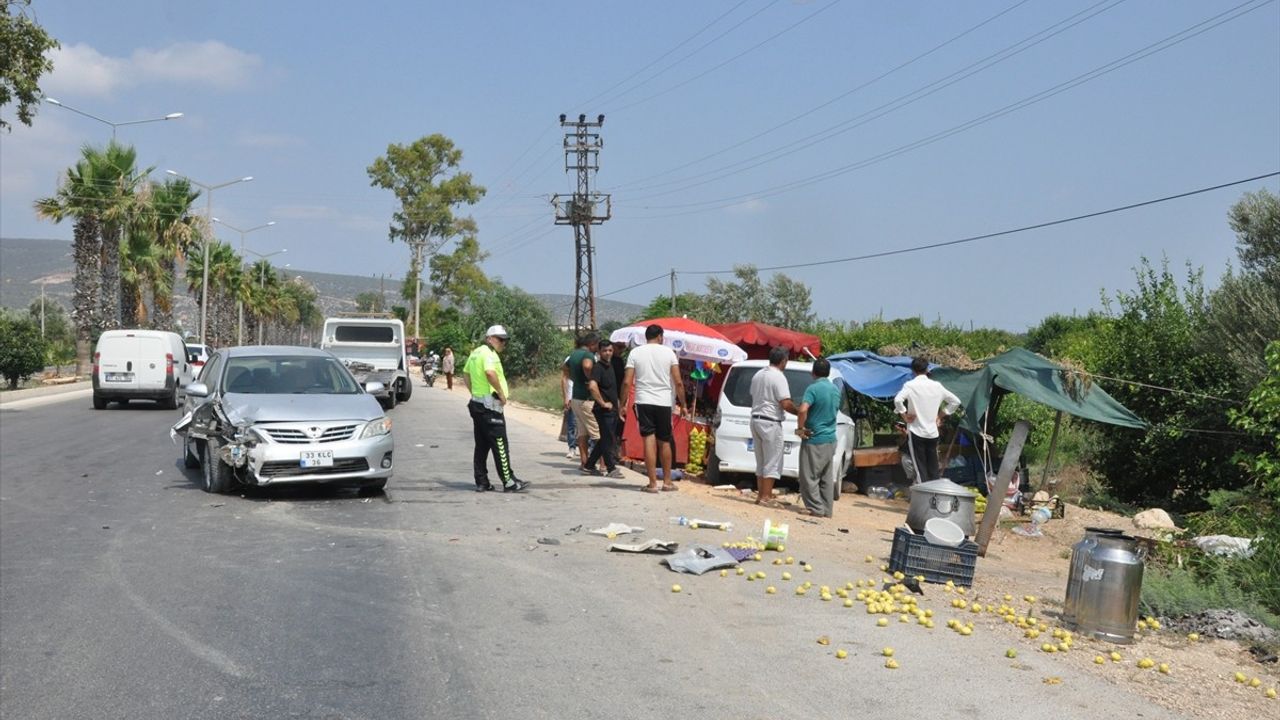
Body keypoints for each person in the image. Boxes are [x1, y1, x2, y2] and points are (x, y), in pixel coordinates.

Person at [462, 325, 528, 493]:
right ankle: (508, 481)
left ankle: (482, 481)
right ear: (489, 338)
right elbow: (490, 373)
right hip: (490, 406)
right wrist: (500, 393)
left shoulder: (476, 352)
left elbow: (466, 373)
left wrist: (474, 392)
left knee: (482, 445)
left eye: (504, 340)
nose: (503, 343)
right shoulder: (489, 354)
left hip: (477, 403)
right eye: (500, 339)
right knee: (500, 444)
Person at [621, 324, 686, 493]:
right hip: (664, 402)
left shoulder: (635, 353)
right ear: (660, 337)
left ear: (646, 337)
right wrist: (684, 404)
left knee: (648, 440)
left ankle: (652, 484)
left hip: (643, 401)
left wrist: (622, 404)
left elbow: (627, 382)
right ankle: (667, 482)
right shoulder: (669, 353)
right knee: (664, 441)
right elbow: (678, 382)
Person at [893, 356, 961, 483]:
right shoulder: (937, 386)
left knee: (920, 467)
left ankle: (924, 493)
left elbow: (897, 400)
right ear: (927, 369)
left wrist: (904, 415)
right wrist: (940, 415)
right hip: (932, 432)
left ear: (913, 371)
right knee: (933, 466)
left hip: (916, 431)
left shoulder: (910, 385)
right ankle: (935, 492)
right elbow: (955, 401)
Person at [750, 346, 798, 508]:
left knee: (761, 460)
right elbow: (785, 403)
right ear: (783, 361)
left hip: (756, 419)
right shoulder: (778, 377)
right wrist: (800, 412)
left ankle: (762, 495)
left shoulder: (758, 374)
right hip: (770, 421)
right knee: (772, 461)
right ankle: (766, 497)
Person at [796, 358, 842, 517]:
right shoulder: (835, 389)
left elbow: (803, 410)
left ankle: (816, 508)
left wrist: (800, 429)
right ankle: (827, 510)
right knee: (826, 478)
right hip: (830, 439)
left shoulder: (813, 388)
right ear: (828, 373)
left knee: (808, 477)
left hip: (815, 438)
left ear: (813, 372)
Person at [582, 342, 625, 478]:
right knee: (608, 439)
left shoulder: (610, 366)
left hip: (612, 409)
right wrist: (602, 403)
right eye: (605, 350)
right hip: (603, 410)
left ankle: (589, 466)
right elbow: (592, 386)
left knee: (605, 439)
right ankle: (611, 468)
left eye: (610, 350)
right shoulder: (598, 368)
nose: (608, 353)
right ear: (599, 352)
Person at [563, 333, 600, 469]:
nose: (597, 348)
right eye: (597, 345)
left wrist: (574, 378)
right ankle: (603, 464)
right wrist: (590, 379)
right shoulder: (588, 355)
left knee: (582, 433)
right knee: (598, 433)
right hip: (587, 399)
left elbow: (565, 368)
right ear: (592, 344)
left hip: (576, 398)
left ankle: (584, 462)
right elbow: (587, 366)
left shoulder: (574, 354)